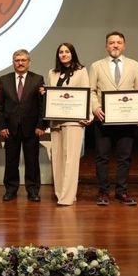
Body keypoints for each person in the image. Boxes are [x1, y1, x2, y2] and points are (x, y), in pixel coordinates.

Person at [89, 31, 138, 206]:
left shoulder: (134, 65)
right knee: (102, 158)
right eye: (111, 42)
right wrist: (95, 108)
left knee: (124, 158)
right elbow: (91, 91)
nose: (115, 45)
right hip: (103, 119)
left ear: (124, 45)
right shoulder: (96, 66)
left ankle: (122, 192)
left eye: (118, 42)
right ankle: (103, 192)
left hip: (127, 120)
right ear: (106, 46)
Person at [0, 49, 45, 202]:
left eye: (23, 60)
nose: (20, 63)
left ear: (29, 62)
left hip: (32, 129)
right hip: (10, 129)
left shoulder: (38, 79)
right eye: (17, 60)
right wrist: (1, 127)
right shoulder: (4, 79)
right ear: (13, 63)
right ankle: (11, 190)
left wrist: (41, 125)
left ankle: (33, 190)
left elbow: (42, 105)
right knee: (11, 161)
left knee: (32, 161)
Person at [46, 43, 91, 206]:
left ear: (73, 54)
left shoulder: (81, 71)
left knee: (70, 159)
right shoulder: (52, 72)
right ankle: (60, 193)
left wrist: (87, 115)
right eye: (61, 52)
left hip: (74, 121)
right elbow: (51, 95)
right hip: (56, 121)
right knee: (57, 159)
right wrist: (45, 92)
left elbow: (87, 92)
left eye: (67, 51)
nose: (64, 54)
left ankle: (68, 196)